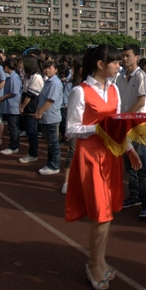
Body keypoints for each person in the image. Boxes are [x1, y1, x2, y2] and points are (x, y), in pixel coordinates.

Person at [65, 44, 142, 290]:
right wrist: (96, 128)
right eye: (115, 62)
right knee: (100, 213)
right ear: (100, 64)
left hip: (111, 155)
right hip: (90, 156)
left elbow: (117, 125)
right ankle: (92, 264)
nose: (120, 65)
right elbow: (70, 129)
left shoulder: (114, 89)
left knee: (108, 213)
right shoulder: (80, 91)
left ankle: (100, 260)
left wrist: (129, 150)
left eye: (120, 62)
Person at [116, 44, 146, 218]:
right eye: (123, 55)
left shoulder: (140, 76)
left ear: (137, 57)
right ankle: (134, 195)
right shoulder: (120, 77)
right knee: (129, 164)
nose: (124, 59)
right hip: (124, 124)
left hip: (137, 126)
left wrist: (125, 116)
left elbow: (141, 101)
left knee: (141, 164)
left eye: (128, 55)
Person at [35, 60, 64, 176]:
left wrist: (40, 112)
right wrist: (38, 111)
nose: (47, 70)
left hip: (51, 116)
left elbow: (50, 100)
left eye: (50, 68)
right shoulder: (48, 81)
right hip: (46, 116)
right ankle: (50, 163)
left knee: (53, 143)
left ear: (56, 70)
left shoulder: (55, 83)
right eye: (45, 68)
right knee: (50, 142)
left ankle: (54, 165)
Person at [61, 56, 83, 195]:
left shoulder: (91, 84)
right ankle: (66, 181)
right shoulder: (71, 86)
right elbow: (67, 107)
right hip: (76, 124)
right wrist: (68, 128)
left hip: (88, 125)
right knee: (73, 152)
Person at [18, 56, 44, 164]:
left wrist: (23, 106)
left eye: (22, 63)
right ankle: (31, 152)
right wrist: (21, 105)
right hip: (26, 107)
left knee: (32, 131)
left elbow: (31, 95)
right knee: (29, 131)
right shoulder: (28, 76)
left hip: (32, 108)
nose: (21, 65)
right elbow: (24, 92)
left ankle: (33, 154)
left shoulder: (36, 77)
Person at [0, 58, 23, 155]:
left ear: (6, 67)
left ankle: (14, 146)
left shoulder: (13, 78)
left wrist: (4, 97)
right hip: (10, 105)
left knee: (13, 127)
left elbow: (14, 92)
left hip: (13, 106)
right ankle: (13, 145)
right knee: (12, 127)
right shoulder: (11, 77)